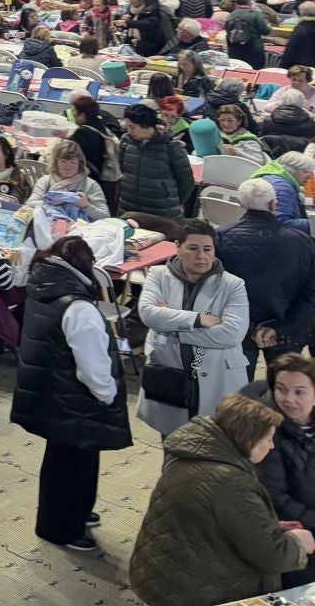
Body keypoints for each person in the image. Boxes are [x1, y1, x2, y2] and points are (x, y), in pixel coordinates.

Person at [130, 392, 313, 606]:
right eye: (268, 439)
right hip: (197, 591)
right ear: (249, 439)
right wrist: (298, 543)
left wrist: (265, 524)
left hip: (160, 570)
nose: (272, 446)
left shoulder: (193, 452)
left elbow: (213, 516)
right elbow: (270, 556)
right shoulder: (232, 484)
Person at [10, 238, 130, 552]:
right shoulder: (79, 308)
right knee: (72, 468)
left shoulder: (43, 288)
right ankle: (62, 528)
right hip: (75, 400)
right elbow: (93, 367)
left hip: (52, 391)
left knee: (65, 462)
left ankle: (73, 513)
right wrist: (108, 395)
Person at [139, 219, 251, 437]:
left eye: (207, 249)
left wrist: (172, 329)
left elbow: (232, 333)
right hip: (170, 375)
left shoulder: (233, 285)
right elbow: (148, 313)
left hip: (218, 378)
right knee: (172, 445)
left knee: (214, 449)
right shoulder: (158, 275)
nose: (202, 255)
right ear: (178, 248)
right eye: (193, 248)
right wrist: (200, 319)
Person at [217, 177, 315, 376]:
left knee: (239, 393)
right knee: (283, 394)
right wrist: (280, 328)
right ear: (273, 204)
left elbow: (214, 290)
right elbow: (311, 294)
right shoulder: (302, 242)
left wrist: (251, 327)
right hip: (287, 330)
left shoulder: (219, 237)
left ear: (241, 204)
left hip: (238, 330)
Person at [255, 350, 315, 586]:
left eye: (299, 392)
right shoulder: (266, 432)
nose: (288, 398)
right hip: (295, 531)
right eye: (281, 389)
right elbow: (275, 496)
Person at [118, 103, 196, 226]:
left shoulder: (171, 146)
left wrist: (172, 200)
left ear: (145, 125)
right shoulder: (126, 142)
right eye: (127, 126)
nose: (129, 131)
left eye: (132, 127)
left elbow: (186, 181)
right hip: (129, 208)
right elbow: (122, 168)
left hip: (162, 212)